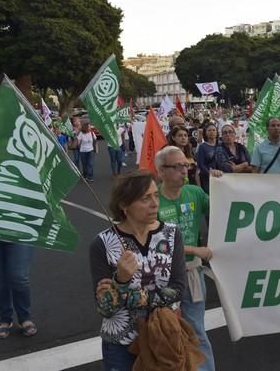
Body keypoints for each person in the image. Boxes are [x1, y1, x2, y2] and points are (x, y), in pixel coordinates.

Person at [89, 171, 186, 371]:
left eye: (155, 195)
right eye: (145, 198)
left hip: (165, 334)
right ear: (124, 205)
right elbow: (105, 309)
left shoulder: (171, 234)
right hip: (121, 343)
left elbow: (178, 289)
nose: (154, 203)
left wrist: (122, 291)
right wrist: (121, 279)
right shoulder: (102, 244)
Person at [156, 146, 220, 371]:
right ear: (161, 171)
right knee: (162, 332)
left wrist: (221, 184)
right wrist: (195, 249)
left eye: (186, 165)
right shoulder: (152, 200)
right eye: (178, 166)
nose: (184, 171)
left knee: (196, 330)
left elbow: (225, 207)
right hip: (160, 279)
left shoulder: (194, 192)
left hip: (191, 274)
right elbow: (154, 243)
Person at [196, 123, 219, 193]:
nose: (212, 132)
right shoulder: (202, 147)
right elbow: (201, 164)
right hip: (207, 178)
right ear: (205, 133)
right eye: (209, 130)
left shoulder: (221, 145)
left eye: (213, 130)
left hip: (221, 176)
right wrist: (210, 172)